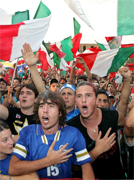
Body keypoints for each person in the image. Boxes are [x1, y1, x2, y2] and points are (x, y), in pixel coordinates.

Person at [9, 90, 95, 180]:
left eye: (51, 106)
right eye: (41, 106)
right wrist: (48, 161)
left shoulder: (73, 134)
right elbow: (13, 168)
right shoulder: (27, 133)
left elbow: (86, 168)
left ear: (60, 113)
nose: (45, 111)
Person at [67, 81, 126, 179]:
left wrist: (124, 139)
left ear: (96, 99)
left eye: (88, 95)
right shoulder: (70, 128)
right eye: (79, 96)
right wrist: (96, 151)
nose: (83, 100)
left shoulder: (113, 116)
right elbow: (74, 167)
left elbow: (128, 128)